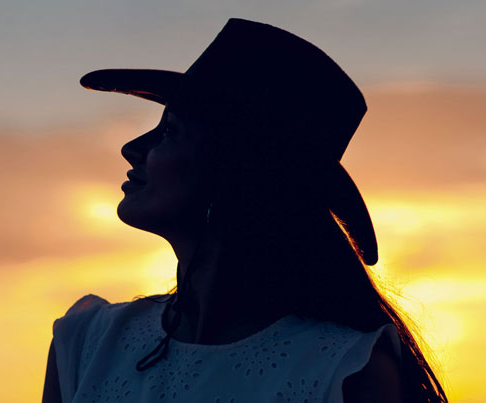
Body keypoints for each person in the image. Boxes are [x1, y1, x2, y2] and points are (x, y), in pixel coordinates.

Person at [42, 18, 447, 403]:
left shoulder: (342, 369)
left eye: (169, 131)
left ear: (236, 166)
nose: (132, 148)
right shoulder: (85, 344)